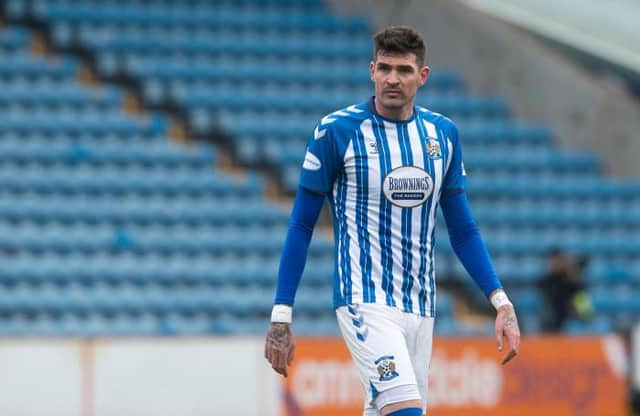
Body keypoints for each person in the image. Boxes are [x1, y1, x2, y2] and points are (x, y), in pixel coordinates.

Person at [264, 26, 520, 416]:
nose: (391, 79)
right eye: (384, 68)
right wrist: (282, 315)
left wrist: (499, 300)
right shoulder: (337, 132)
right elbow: (300, 226)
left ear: (423, 76)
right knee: (405, 411)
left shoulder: (443, 135)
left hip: (421, 307)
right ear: (371, 70)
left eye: (403, 70)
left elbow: (463, 229)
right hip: (364, 300)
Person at [538, 249, 593, 332]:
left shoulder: (577, 287)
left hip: (568, 325)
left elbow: (585, 312)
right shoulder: (549, 281)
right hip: (551, 324)